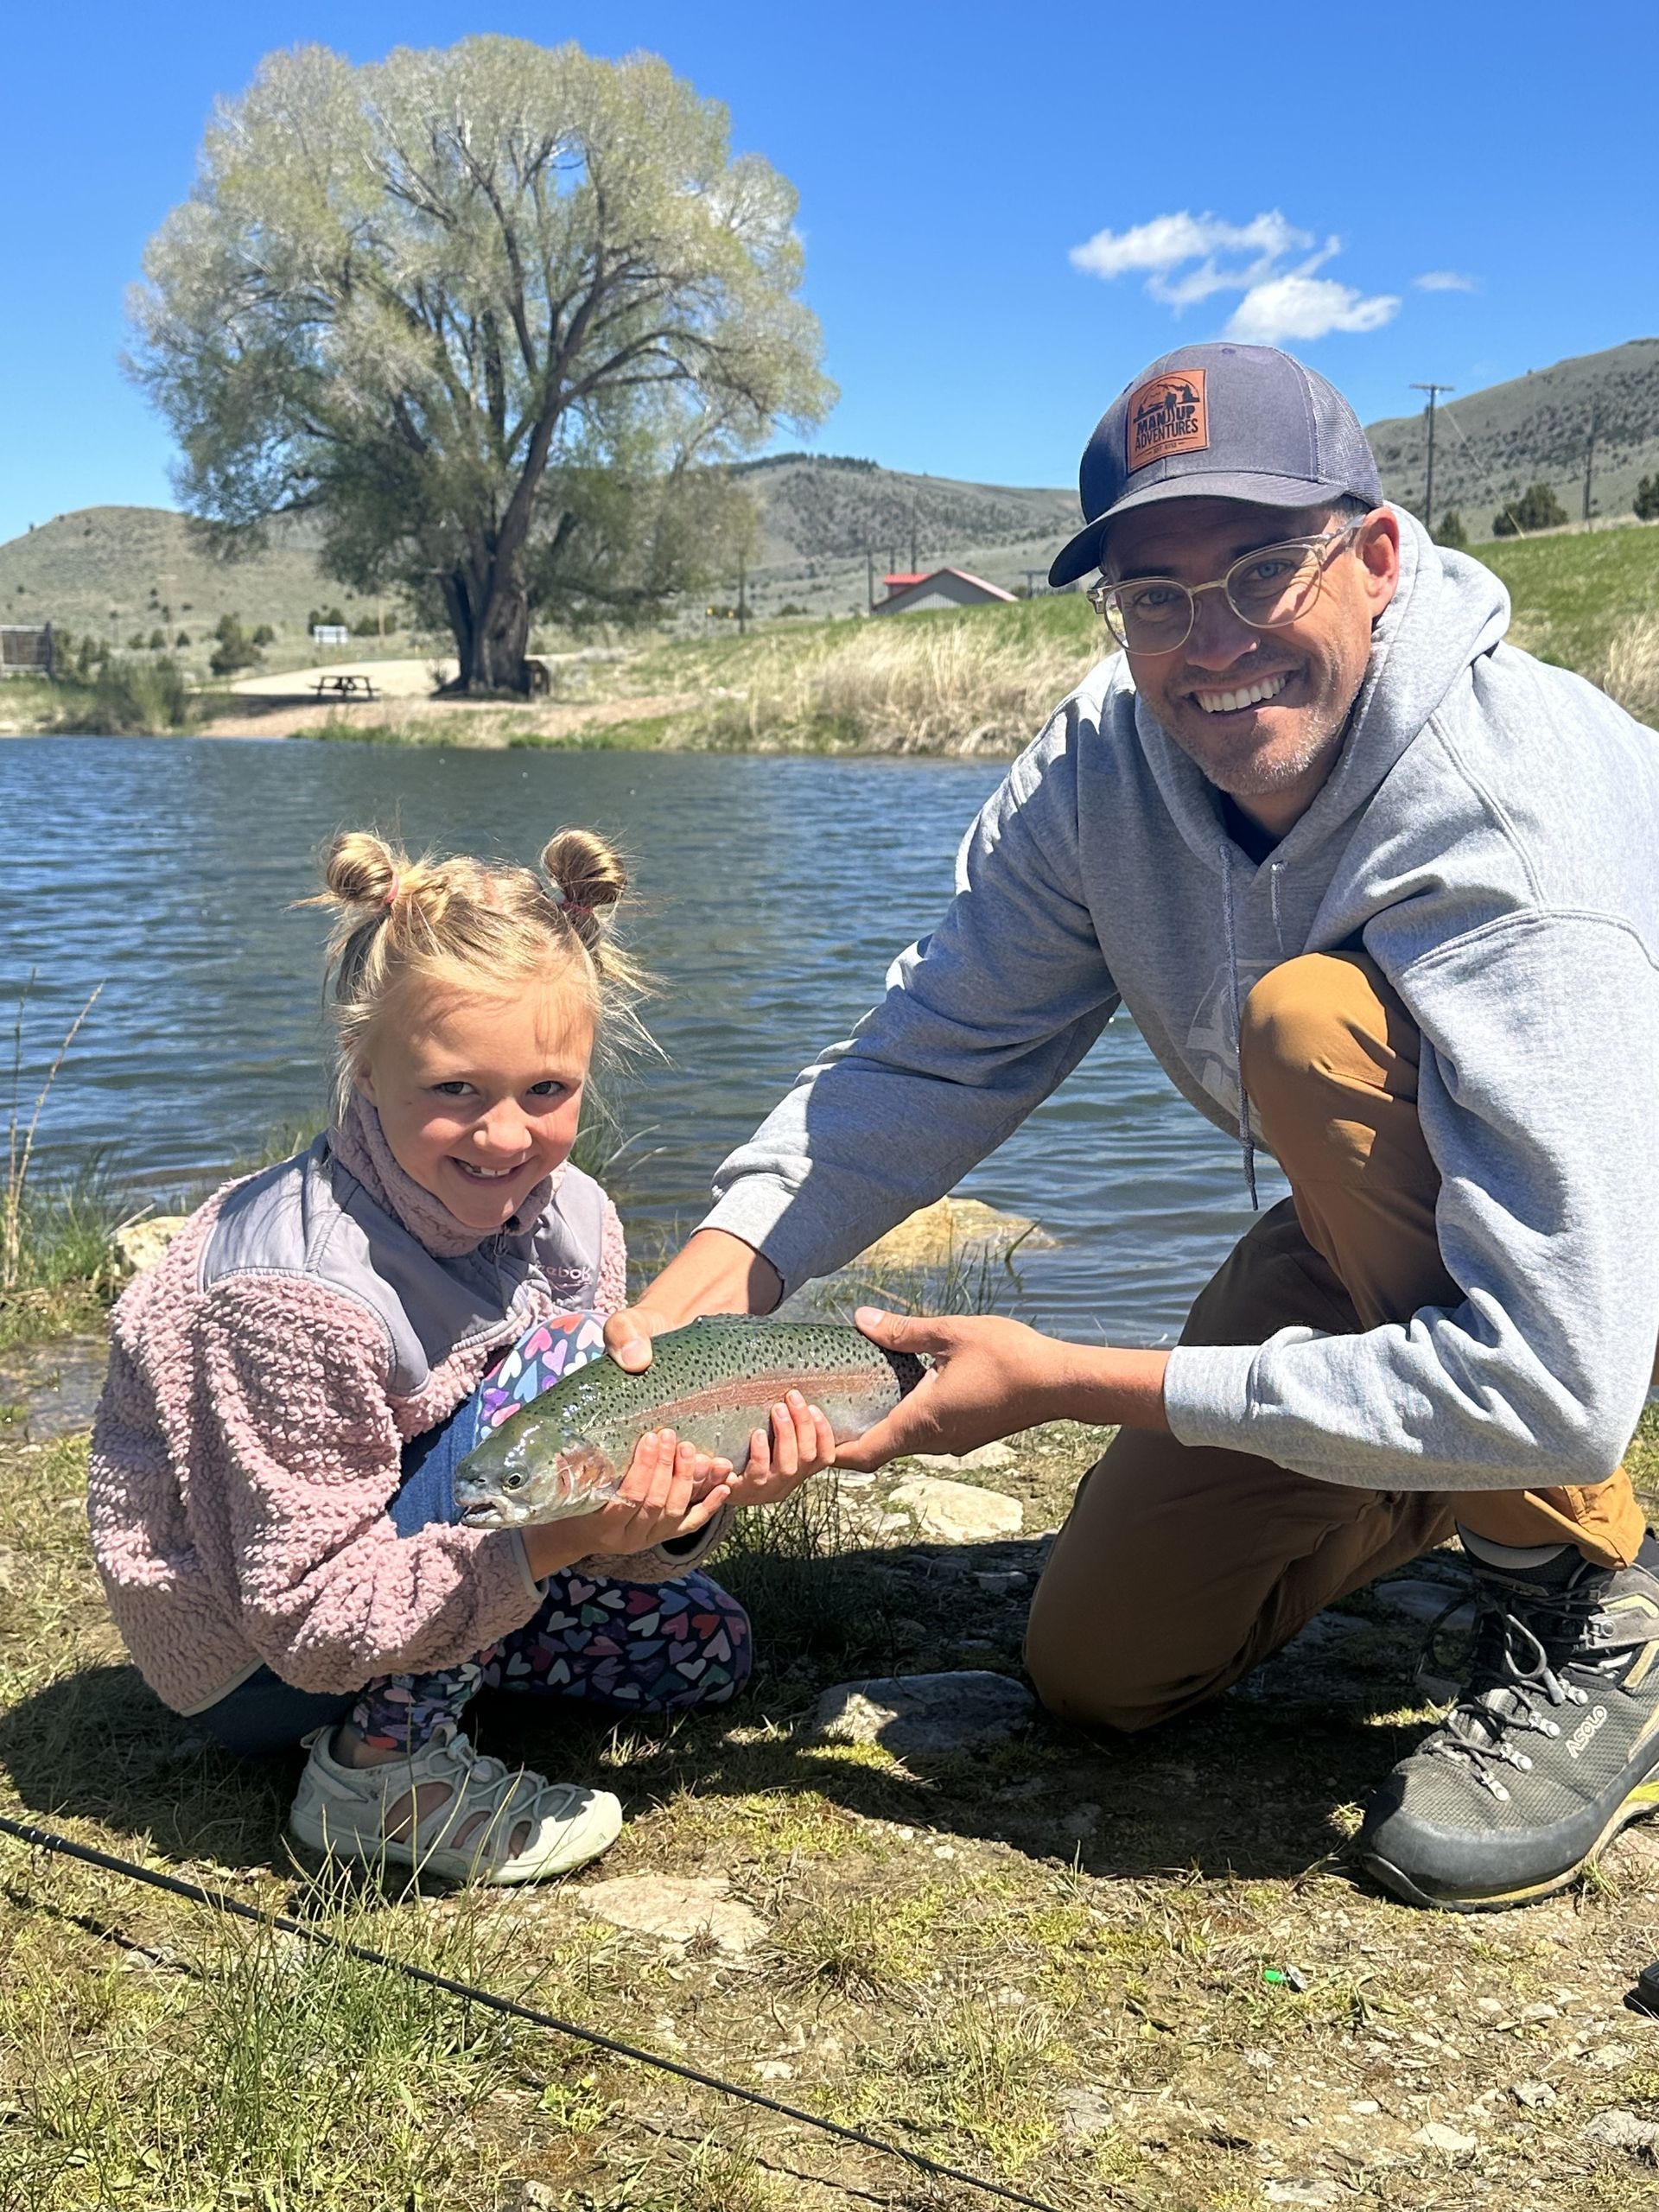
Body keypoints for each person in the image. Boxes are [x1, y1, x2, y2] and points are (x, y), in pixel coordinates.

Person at [603, 341, 1659, 1913]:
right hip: (1411, 1225)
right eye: (1154, 598)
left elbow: (1564, 1383)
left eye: (1257, 573)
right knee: (1104, 1667)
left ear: (1374, 560)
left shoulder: (1505, 818)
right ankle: (1434, 1457)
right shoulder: (1103, 769)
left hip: (1606, 1223)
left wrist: (1067, 1387)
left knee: (1306, 1031)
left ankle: (1586, 1603)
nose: (1208, 643)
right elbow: (929, 1058)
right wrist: (686, 1317)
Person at [88, 828, 835, 1885]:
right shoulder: (293, 1293)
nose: (503, 1137)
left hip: (424, 1548)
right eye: (454, 1091)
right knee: (579, 1367)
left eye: (546, 1090)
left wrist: (681, 1503)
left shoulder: (577, 1214)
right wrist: (540, 1549)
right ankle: (375, 1777)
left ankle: (454, 1666)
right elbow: (306, 1615)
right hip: (257, 1655)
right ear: (364, 1062)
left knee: (707, 1644)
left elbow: (594, 1496)